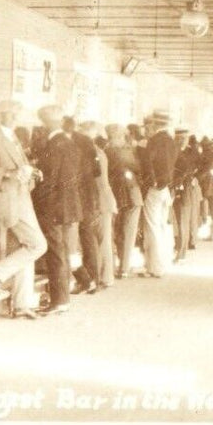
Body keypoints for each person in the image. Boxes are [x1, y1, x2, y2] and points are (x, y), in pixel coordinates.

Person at [0, 100, 49, 320]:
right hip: (9, 198)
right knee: (38, 245)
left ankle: (22, 303)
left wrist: (31, 172)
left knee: (28, 247)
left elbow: (20, 165)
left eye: (17, 115)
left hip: (22, 196)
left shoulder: (12, 138)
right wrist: (7, 173)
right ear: (1, 116)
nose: (16, 119)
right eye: (13, 115)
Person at [31, 105, 82, 314]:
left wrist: (37, 200)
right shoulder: (69, 142)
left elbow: (49, 179)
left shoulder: (54, 144)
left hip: (53, 205)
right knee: (61, 250)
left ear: (47, 122)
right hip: (68, 204)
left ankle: (59, 300)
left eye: (43, 122)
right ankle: (63, 297)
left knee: (56, 252)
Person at [140, 109, 177, 277]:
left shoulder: (154, 140)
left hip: (155, 189)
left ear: (154, 124)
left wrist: (152, 182)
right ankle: (163, 262)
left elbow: (148, 163)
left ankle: (154, 267)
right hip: (166, 189)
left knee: (152, 226)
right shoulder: (171, 140)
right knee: (162, 226)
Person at [71, 119, 106, 294]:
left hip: (79, 196)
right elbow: (97, 172)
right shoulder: (91, 146)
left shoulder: (74, 142)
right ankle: (93, 279)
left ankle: (88, 280)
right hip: (89, 195)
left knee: (80, 238)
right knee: (88, 237)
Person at [106, 124, 143, 279]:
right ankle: (124, 268)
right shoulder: (128, 151)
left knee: (115, 232)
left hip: (115, 194)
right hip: (132, 194)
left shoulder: (107, 151)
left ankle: (115, 265)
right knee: (128, 232)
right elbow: (139, 168)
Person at [87, 126, 118, 289]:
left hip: (101, 201)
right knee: (103, 239)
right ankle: (106, 275)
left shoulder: (95, 153)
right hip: (104, 199)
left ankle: (105, 276)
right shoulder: (98, 152)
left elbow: (100, 182)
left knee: (103, 239)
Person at [171, 128, 199, 263]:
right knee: (177, 219)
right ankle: (177, 249)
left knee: (182, 219)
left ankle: (181, 253)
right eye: (179, 138)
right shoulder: (176, 151)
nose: (181, 141)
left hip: (184, 188)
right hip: (176, 187)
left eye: (183, 138)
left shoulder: (190, 153)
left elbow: (194, 169)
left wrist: (193, 178)